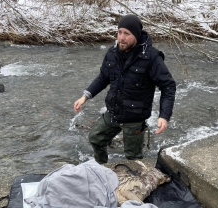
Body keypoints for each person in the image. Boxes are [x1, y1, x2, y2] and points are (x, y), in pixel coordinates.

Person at [74, 14, 176, 164]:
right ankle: (102, 169)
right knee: (96, 138)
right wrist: (85, 96)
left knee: (133, 158)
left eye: (126, 34)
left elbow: (168, 86)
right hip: (114, 112)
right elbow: (103, 78)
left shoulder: (151, 57)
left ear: (136, 35)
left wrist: (164, 116)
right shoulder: (112, 53)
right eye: (119, 32)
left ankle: (137, 181)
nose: (121, 37)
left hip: (135, 118)